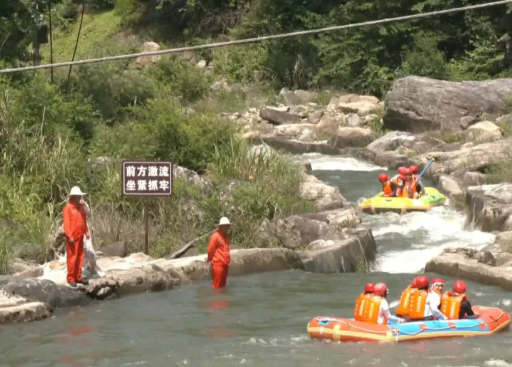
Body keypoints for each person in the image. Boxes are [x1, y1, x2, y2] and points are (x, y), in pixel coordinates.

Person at [62, 186, 90, 287]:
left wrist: (86, 232)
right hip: (72, 238)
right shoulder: (68, 208)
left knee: (80, 257)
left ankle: (78, 277)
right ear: (73, 197)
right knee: (72, 257)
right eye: (78, 196)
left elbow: (84, 220)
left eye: (80, 196)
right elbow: (66, 224)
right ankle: (71, 278)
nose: (80, 198)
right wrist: (70, 236)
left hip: (80, 236)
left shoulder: (81, 207)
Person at [207, 217, 231, 289]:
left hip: (225, 264)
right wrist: (209, 259)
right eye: (225, 225)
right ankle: (216, 299)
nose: (227, 227)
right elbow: (210, 250)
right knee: (217, 285)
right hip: (218, 264)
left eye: (228, 225)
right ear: (221, 226)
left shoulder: (227, 237)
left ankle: (222, 299)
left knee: (223, 284)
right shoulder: (215, 236)